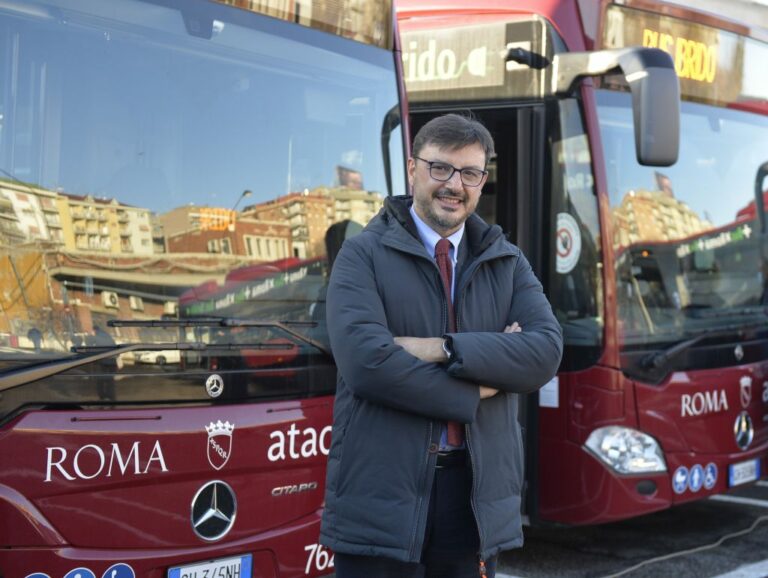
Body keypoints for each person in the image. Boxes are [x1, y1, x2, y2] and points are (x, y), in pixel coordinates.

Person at [320, 113, 563, 577]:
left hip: (472, 499)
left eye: (470, 173)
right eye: (441, 168)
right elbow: (367, 364)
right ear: (413, 169)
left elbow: (543, 352)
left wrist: (441, 348)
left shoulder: (507, 262)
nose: (455, 184)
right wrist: (476, 390)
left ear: (482, 181)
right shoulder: (362, 255)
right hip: (381, 496)